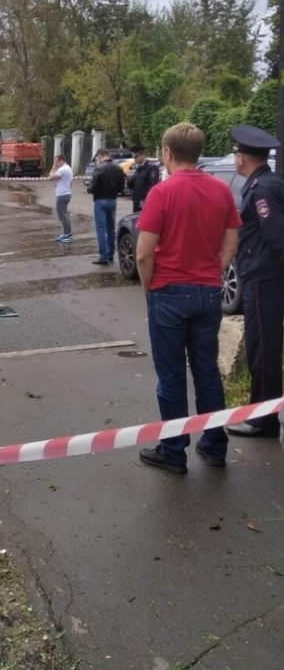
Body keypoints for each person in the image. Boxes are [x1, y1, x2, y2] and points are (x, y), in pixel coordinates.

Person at [135, 122, 240, 474]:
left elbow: (143, 254)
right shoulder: (221, 191)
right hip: (208, 292)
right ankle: (214, 446)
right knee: (207, 371)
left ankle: (173, 451)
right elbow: (230, 242)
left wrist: (150, 288)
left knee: (171, 376)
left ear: (167, 153)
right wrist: (212, 272)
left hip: (168, 292)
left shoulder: (162, 193)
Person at [225, 124, 284, 437]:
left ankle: (263, 419)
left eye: (236, 153)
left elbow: (276, 238)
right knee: (265, 348)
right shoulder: (266, 182)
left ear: (242, 158)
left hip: (264, 279)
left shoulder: (261, 189)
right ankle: (263, 413)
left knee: (263, 350)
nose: (234, 157)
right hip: (263, 276)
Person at [88, 149, 125, 264]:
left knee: (101, 229)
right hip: (113, 199)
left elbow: (93, 186)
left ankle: (103, 256)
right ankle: (111, 254)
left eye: (98, 157)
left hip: (100, 200)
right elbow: (121, 186)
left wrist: (90, 190)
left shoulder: (99, 168)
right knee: (111, 228)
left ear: (100, 156)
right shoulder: (118, 168)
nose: (98, 160)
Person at [48, 153, 73, 243]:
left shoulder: (62, 169)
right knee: (65, 214)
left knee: (62, 215)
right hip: (67, 193)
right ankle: (68, 233)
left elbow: (50, 177)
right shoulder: (69, 168)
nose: (55, 163)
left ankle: (66, 234)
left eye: (56, 161)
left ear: (61, 160)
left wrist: (53, 168)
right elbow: (71, 182)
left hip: (62, 195)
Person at [128, 146, 160, 213]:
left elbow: (153, 186)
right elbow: (133, 186)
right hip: (136, 200)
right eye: (134, 157)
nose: (135, 159)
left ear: (143, 155)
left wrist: (145, 200)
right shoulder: (138, 168)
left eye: (136, 157)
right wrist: (130, 180)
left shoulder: (151, 168)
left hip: (145, 201)